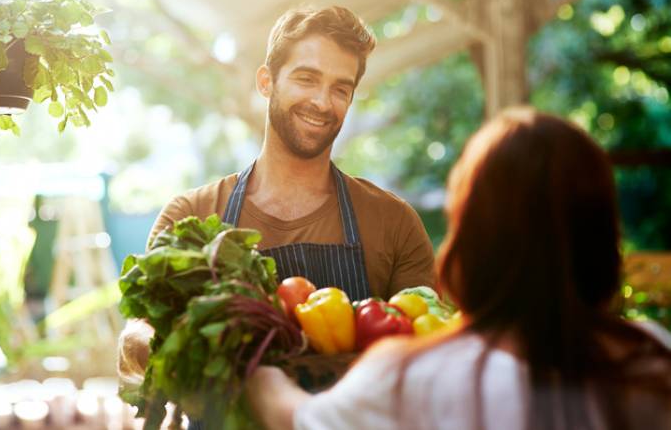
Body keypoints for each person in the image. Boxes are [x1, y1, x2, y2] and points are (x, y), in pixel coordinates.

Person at [246, 107, 671, 430]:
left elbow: (298, 418)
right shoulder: (653, 360)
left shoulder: (410, 377)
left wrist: (253, 366)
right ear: (602, 236)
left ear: (473, 238)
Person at [118, 6, 436, 385]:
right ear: (266, 81)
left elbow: (430, 359)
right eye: (307, 78)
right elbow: (137, 334)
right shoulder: (193, 217)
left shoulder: (392, 222)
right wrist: (175, 345)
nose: (322, 101)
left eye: (340, 89)